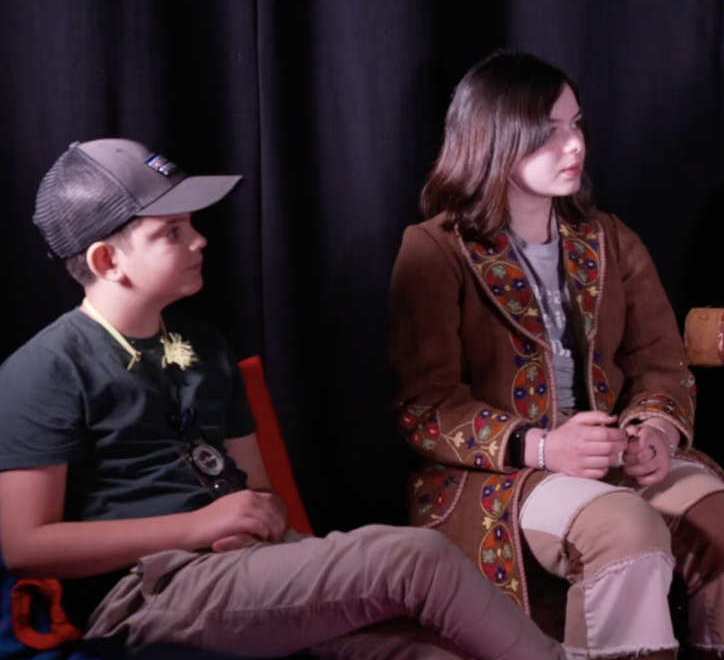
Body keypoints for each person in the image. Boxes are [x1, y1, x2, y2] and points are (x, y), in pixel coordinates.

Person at [0, 139, 568, 660]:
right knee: (419, 558)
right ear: (107, 261)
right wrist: (194, 528)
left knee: (430, 651)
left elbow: (257, 489)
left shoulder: (204, 344)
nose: (199, 239)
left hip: (247, 565)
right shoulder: (45, 369)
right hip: (147, 588)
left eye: (190, 224)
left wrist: (257, 518)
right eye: (169, 232)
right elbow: (25, 546)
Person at [389, 51, 724, 660]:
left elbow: (661, 361)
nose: (573, 145)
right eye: (548, 132)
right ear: (495, 139)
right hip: (503, 476)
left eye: (575, 124)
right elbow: (425, 408)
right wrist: (545, 446)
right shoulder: (432, 251)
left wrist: (652, 429)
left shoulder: (608, 238)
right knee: (624, 530)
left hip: (613, 459)